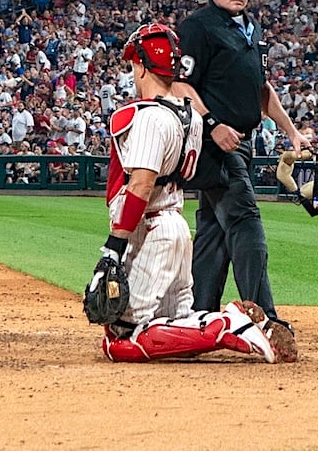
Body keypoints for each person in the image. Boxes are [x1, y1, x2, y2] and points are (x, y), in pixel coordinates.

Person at [94, 22, 281, 364]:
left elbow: (141, 185)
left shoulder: (148, 117)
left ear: (141, 66)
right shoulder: (190, 115)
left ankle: (229, 324)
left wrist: (114, 246)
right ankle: (221, 324)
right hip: (175, 225)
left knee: (122, 339)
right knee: (177, 322)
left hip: (151, 231)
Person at [172, 0, 305, 358]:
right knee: (246, 221)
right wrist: (212, 123)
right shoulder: (198, 27)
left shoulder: (252, 28)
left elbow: (261, 89)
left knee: (214, 233)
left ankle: (198, 317)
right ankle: (265, 320)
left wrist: (292, 131)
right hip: (214, 145)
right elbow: (180, 85)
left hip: (243, 142)